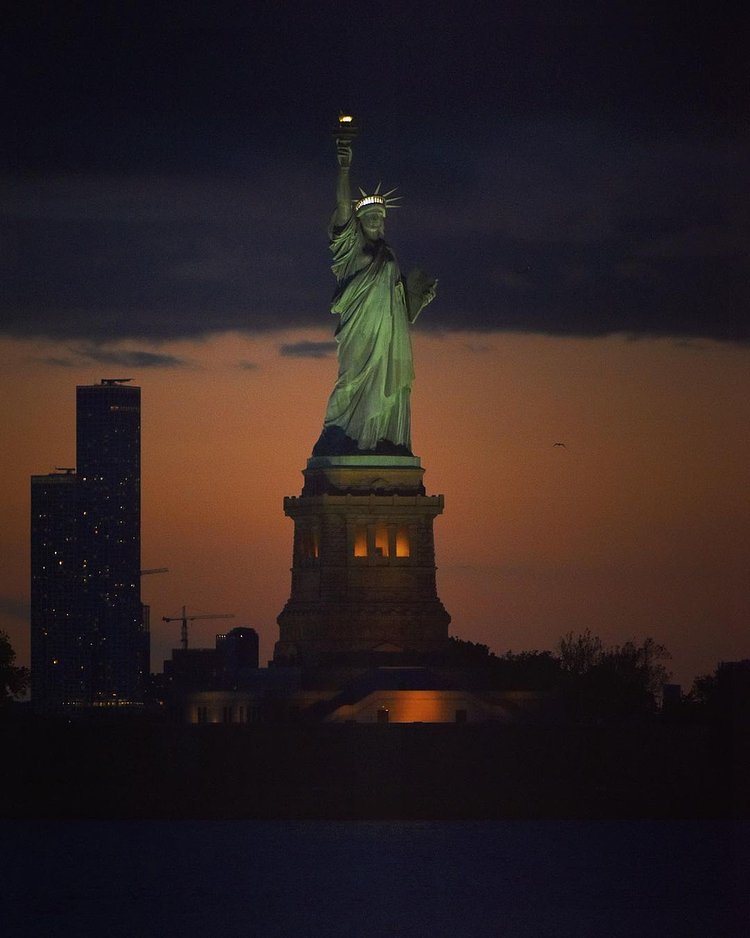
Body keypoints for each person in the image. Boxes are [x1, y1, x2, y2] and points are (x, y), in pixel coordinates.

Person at [312, 138, 437, 456]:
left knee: (388, 386)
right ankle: (340, 435)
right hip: (360, 329)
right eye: (370, 217)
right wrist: (344, 168)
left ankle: (382, 439)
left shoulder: (389, 253)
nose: (377, 221)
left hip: (389, 334)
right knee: (350, 380)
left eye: (381, 217)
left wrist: (418, 298)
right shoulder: (350, 249)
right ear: (358, 223)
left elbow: (400, 302)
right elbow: (344, 208)